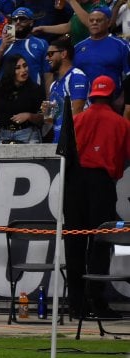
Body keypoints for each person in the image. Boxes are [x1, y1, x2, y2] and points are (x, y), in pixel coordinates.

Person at [64, 75, 130, 320]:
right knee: (100, 243)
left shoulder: (77, 119)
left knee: (74, 243)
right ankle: (98, 303)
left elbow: (65, 154)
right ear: (113, 96)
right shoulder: (121, 123)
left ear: (91, 94)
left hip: (73, 183)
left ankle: (76, 304)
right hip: (102, 183)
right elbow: (126, 154)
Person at [0, 7, 50, 87]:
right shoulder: (0, 42)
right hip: (6, 94)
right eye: (15, 20)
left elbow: (48, 73)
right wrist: (3, 47)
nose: (18, 22)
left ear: (31, 22)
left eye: (22, 19)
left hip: (32, 94)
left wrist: (49, 97)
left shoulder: (42, 44)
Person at [0, 55, 44, 143]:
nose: (24, 70)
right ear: (10, 71)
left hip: (28, 134)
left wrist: (29, 116)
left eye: (25, 66)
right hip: (2, 135)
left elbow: (43, 118)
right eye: (18, 68)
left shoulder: (35, 89)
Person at [74, 8, 130, 90]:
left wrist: (124, 98)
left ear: (108, 23)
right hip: (84, 99)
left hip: (112, 98)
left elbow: (129, 76)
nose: (94, 23)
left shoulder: (122, 45)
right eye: (91, 20)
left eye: (99, 20)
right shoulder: (78, 47)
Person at [46, 36, 88, 143]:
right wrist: (47, 112)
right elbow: (51, 119)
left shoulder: (76, 77)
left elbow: (77, 114)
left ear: (63, 54)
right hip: (58, 142)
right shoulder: (54, 84)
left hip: (74, 143)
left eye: (51, 54)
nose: (47, 58)